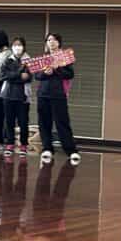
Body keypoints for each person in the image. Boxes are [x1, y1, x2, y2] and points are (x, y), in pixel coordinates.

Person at [34, 33, 80, 165]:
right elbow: (37, 76)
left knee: (62, 123)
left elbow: (70, 74)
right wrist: (44, 73)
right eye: (49, 40)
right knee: (44, 123)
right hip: (43, 94)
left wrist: (56, 69)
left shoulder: (65, 57)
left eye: (54, 40)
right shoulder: (43, 58)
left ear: (59, 43)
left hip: (58, 94)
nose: (51, 42)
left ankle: (71, 150)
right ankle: (47, 148)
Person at [0, 36, 31, 155]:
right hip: (8, 94)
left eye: (20, 45)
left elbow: (29, 77)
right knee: (9, 121)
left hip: (22, 95)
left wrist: (14, 77)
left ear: (24, 47)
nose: (17, 47)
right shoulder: (8, 60)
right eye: (15, 45)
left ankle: (23, 144)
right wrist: (18, 75)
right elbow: (4, 76)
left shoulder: (29, 61)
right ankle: (10, 143)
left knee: (23, 122)